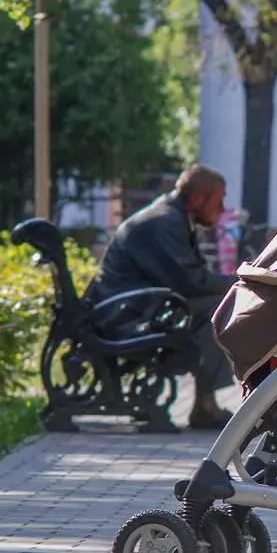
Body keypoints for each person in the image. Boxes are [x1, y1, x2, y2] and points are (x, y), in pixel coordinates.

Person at [87, 164, 238, 429]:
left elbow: (189, 277)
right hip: (124, 314)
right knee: (218, 307)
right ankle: (205, 405)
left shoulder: (172, 217)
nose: (222, 209)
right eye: (219, 200)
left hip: (133, 306)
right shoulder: (165, 222)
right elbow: (190, 282)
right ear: (197, 198)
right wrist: (239, 282)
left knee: (216, 306)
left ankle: (205, 403)